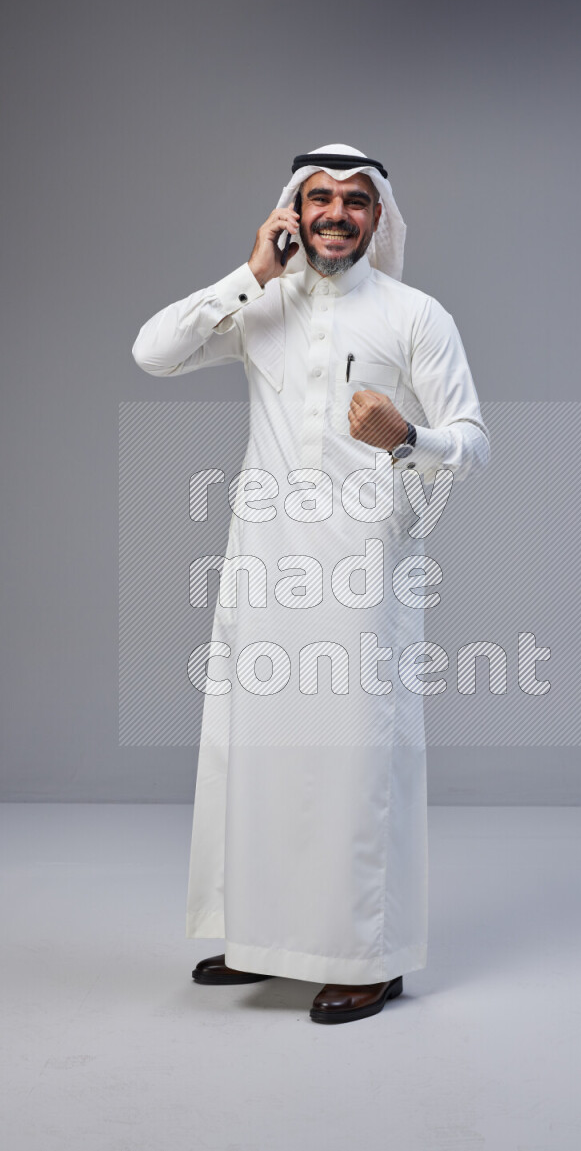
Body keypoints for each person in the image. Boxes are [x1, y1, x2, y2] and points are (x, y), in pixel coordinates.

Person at [131, 143, 490, 1024]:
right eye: (319, 197)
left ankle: (367, 955)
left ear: (380, 217)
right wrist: (250, 269)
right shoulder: (263, 302)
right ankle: (265, 938)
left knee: (354, 759)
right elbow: (152, 352)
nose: (336, 213)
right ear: (294, 209)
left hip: (363, 564)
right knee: (260, 754)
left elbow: (474, 441)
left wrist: (408, 434)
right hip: (264, 563)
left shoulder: (415, 314)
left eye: (356, 200)